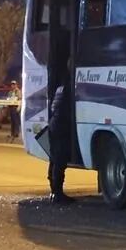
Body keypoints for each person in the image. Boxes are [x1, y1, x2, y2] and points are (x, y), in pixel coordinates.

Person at [48, 67, 74, 204]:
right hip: (61, 126)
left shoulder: (59, 89)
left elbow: (53, 107)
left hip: (54, 124)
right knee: (59, 160)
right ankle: (57, 193)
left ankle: (53, 191)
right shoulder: (69, 90)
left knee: (54, 159)